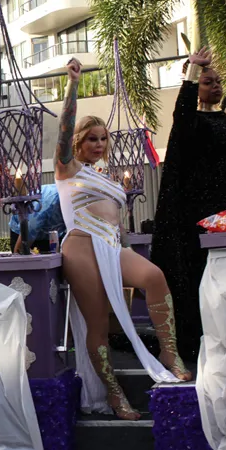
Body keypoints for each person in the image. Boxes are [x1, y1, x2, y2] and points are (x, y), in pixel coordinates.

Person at [56, 57, 190, 421]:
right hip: (81, 245)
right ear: (79, 142)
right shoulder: (67, 168)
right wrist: (73, 85)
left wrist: (127, 247)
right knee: (98, 322)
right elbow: (64, 130)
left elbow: (119, 225)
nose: (99, 144)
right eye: (92, 139)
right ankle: (114, 394)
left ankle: (169, 352)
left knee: (154, 277)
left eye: (103, 139)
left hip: (113, 245)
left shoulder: (107, 178)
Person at [151, 48, 226, 361]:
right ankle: (203, 342)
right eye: (208, 82)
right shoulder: (191, 123)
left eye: (218, 82)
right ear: (196, 87)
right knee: (205, 280)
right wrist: (192, 73)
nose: (216, 86)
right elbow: (182, 113)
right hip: (202, 214)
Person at [8, 184, 65, 253]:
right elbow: (19, 250)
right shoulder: (43, 209)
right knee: (24, 255)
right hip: (24, 228)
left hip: (53, 231)